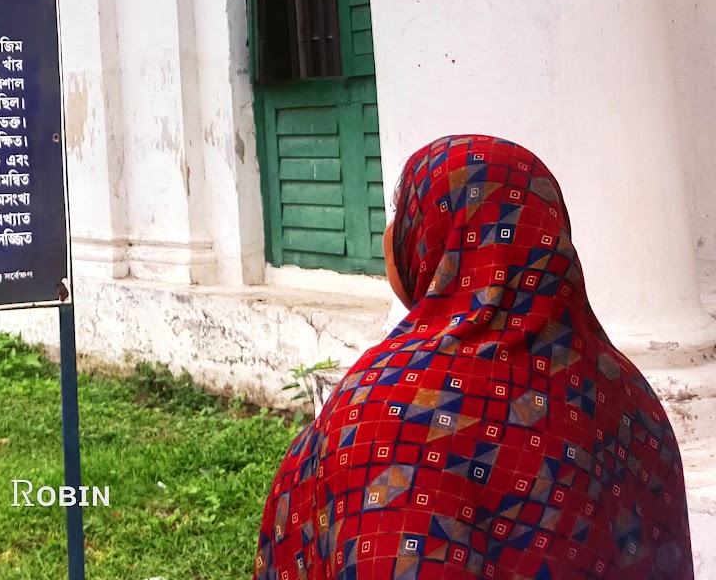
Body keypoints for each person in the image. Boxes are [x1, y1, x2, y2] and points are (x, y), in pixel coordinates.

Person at [253, 134, 693, 579]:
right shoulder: (630, 396)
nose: (390, 237)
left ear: (435, 239)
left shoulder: (386, 410)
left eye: (403, 218)